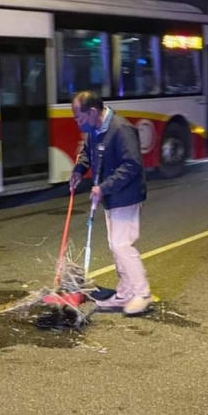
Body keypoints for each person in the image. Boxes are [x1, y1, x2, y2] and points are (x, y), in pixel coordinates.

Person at [69, 90, 151, 314]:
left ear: (93, 111)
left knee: (121, 245)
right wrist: (79, 170)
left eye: (80, 117)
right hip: (110, 196)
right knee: (115, 246)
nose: (78, 123)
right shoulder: (94, 129)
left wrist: (103, 187)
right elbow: (87, 152)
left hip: (126, 194)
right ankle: (125, 293)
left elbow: (132, 165)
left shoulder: (121, 129)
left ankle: (142, 294)